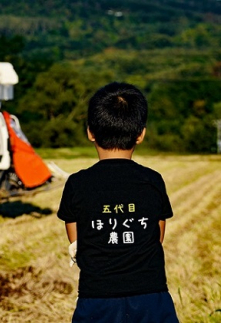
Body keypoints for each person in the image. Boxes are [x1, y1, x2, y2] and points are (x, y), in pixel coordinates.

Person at [57, 82, 179, 322]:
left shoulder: (77, 183)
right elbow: (158, 235)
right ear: (141, 134)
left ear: (90, 131)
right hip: (151, 297)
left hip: (96, 298)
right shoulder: (153, 180)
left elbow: (76, 242)